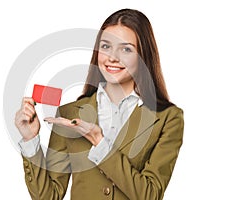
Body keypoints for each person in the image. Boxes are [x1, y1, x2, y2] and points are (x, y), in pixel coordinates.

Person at [15, 8, 184, 200]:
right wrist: (30, 141)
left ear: (143, 56)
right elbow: (49, 196)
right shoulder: (69, 112)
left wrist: (99, 142)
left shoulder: (168, 118)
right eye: (105, 46)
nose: (112, 57)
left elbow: (150, 194)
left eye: (126, 49)